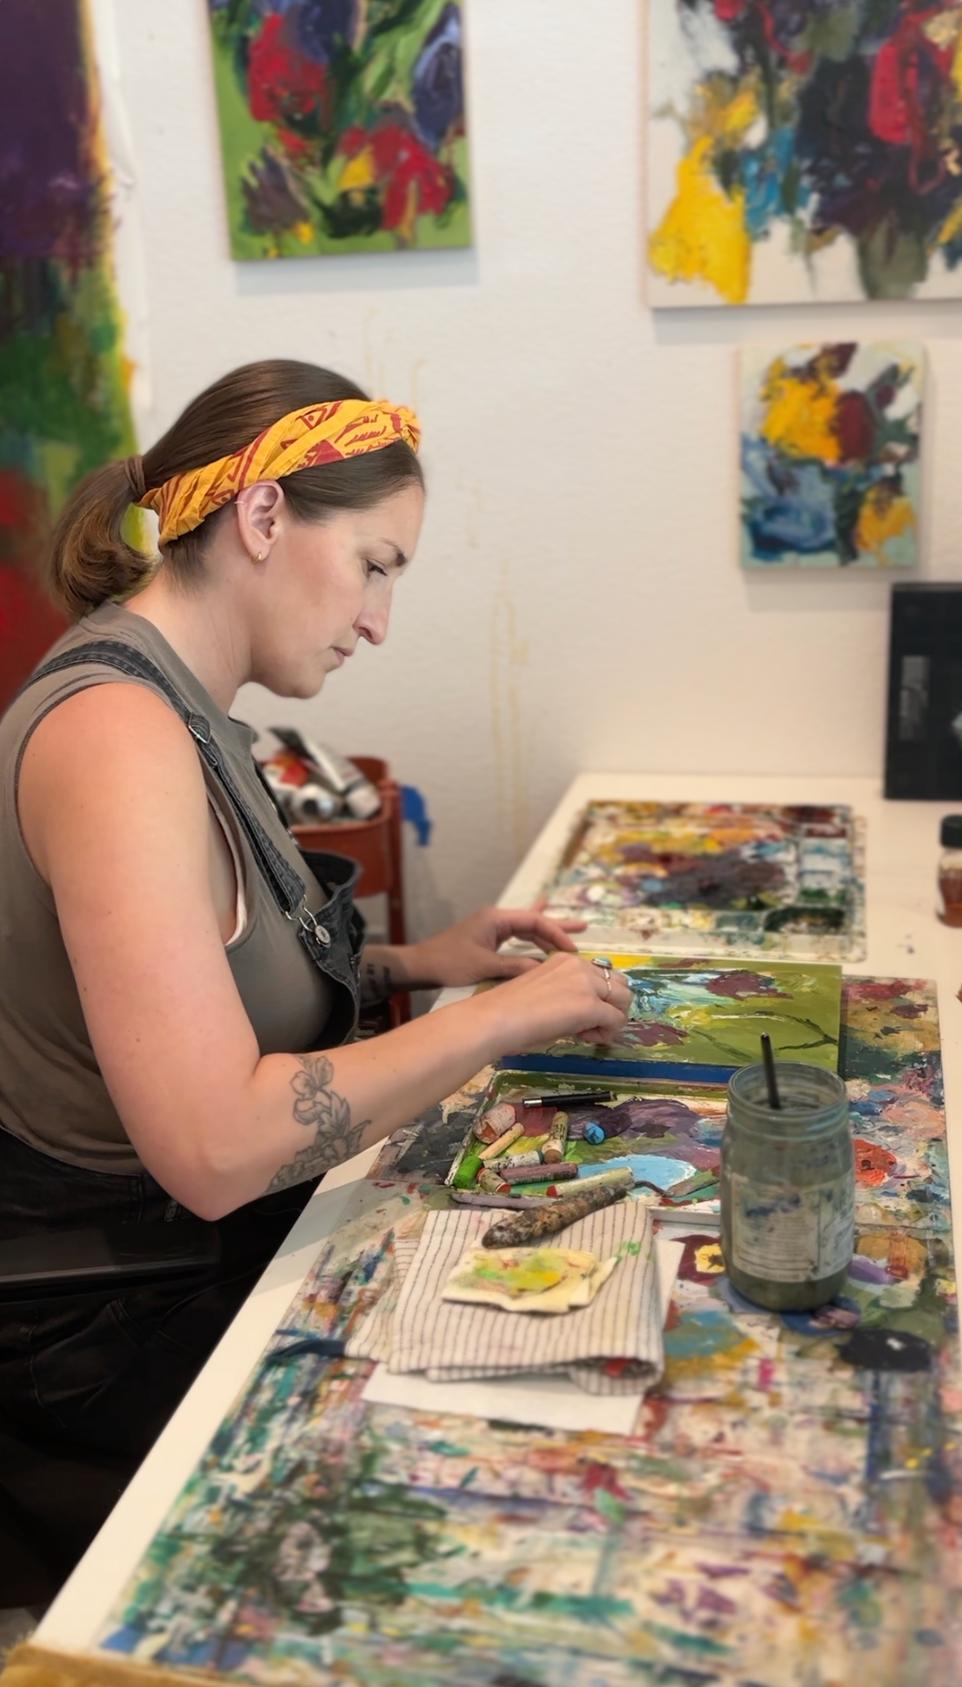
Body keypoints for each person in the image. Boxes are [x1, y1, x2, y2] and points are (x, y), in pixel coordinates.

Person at [0, 358, 630, 1593]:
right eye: (376, 566)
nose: (379, 620)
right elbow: (215, 1146)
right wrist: (492, 1022)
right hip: (111, 1327)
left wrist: (416, 962)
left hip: (182, 1261)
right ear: (265, 516)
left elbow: (199, 976)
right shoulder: (118, 739)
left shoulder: (179, 705)